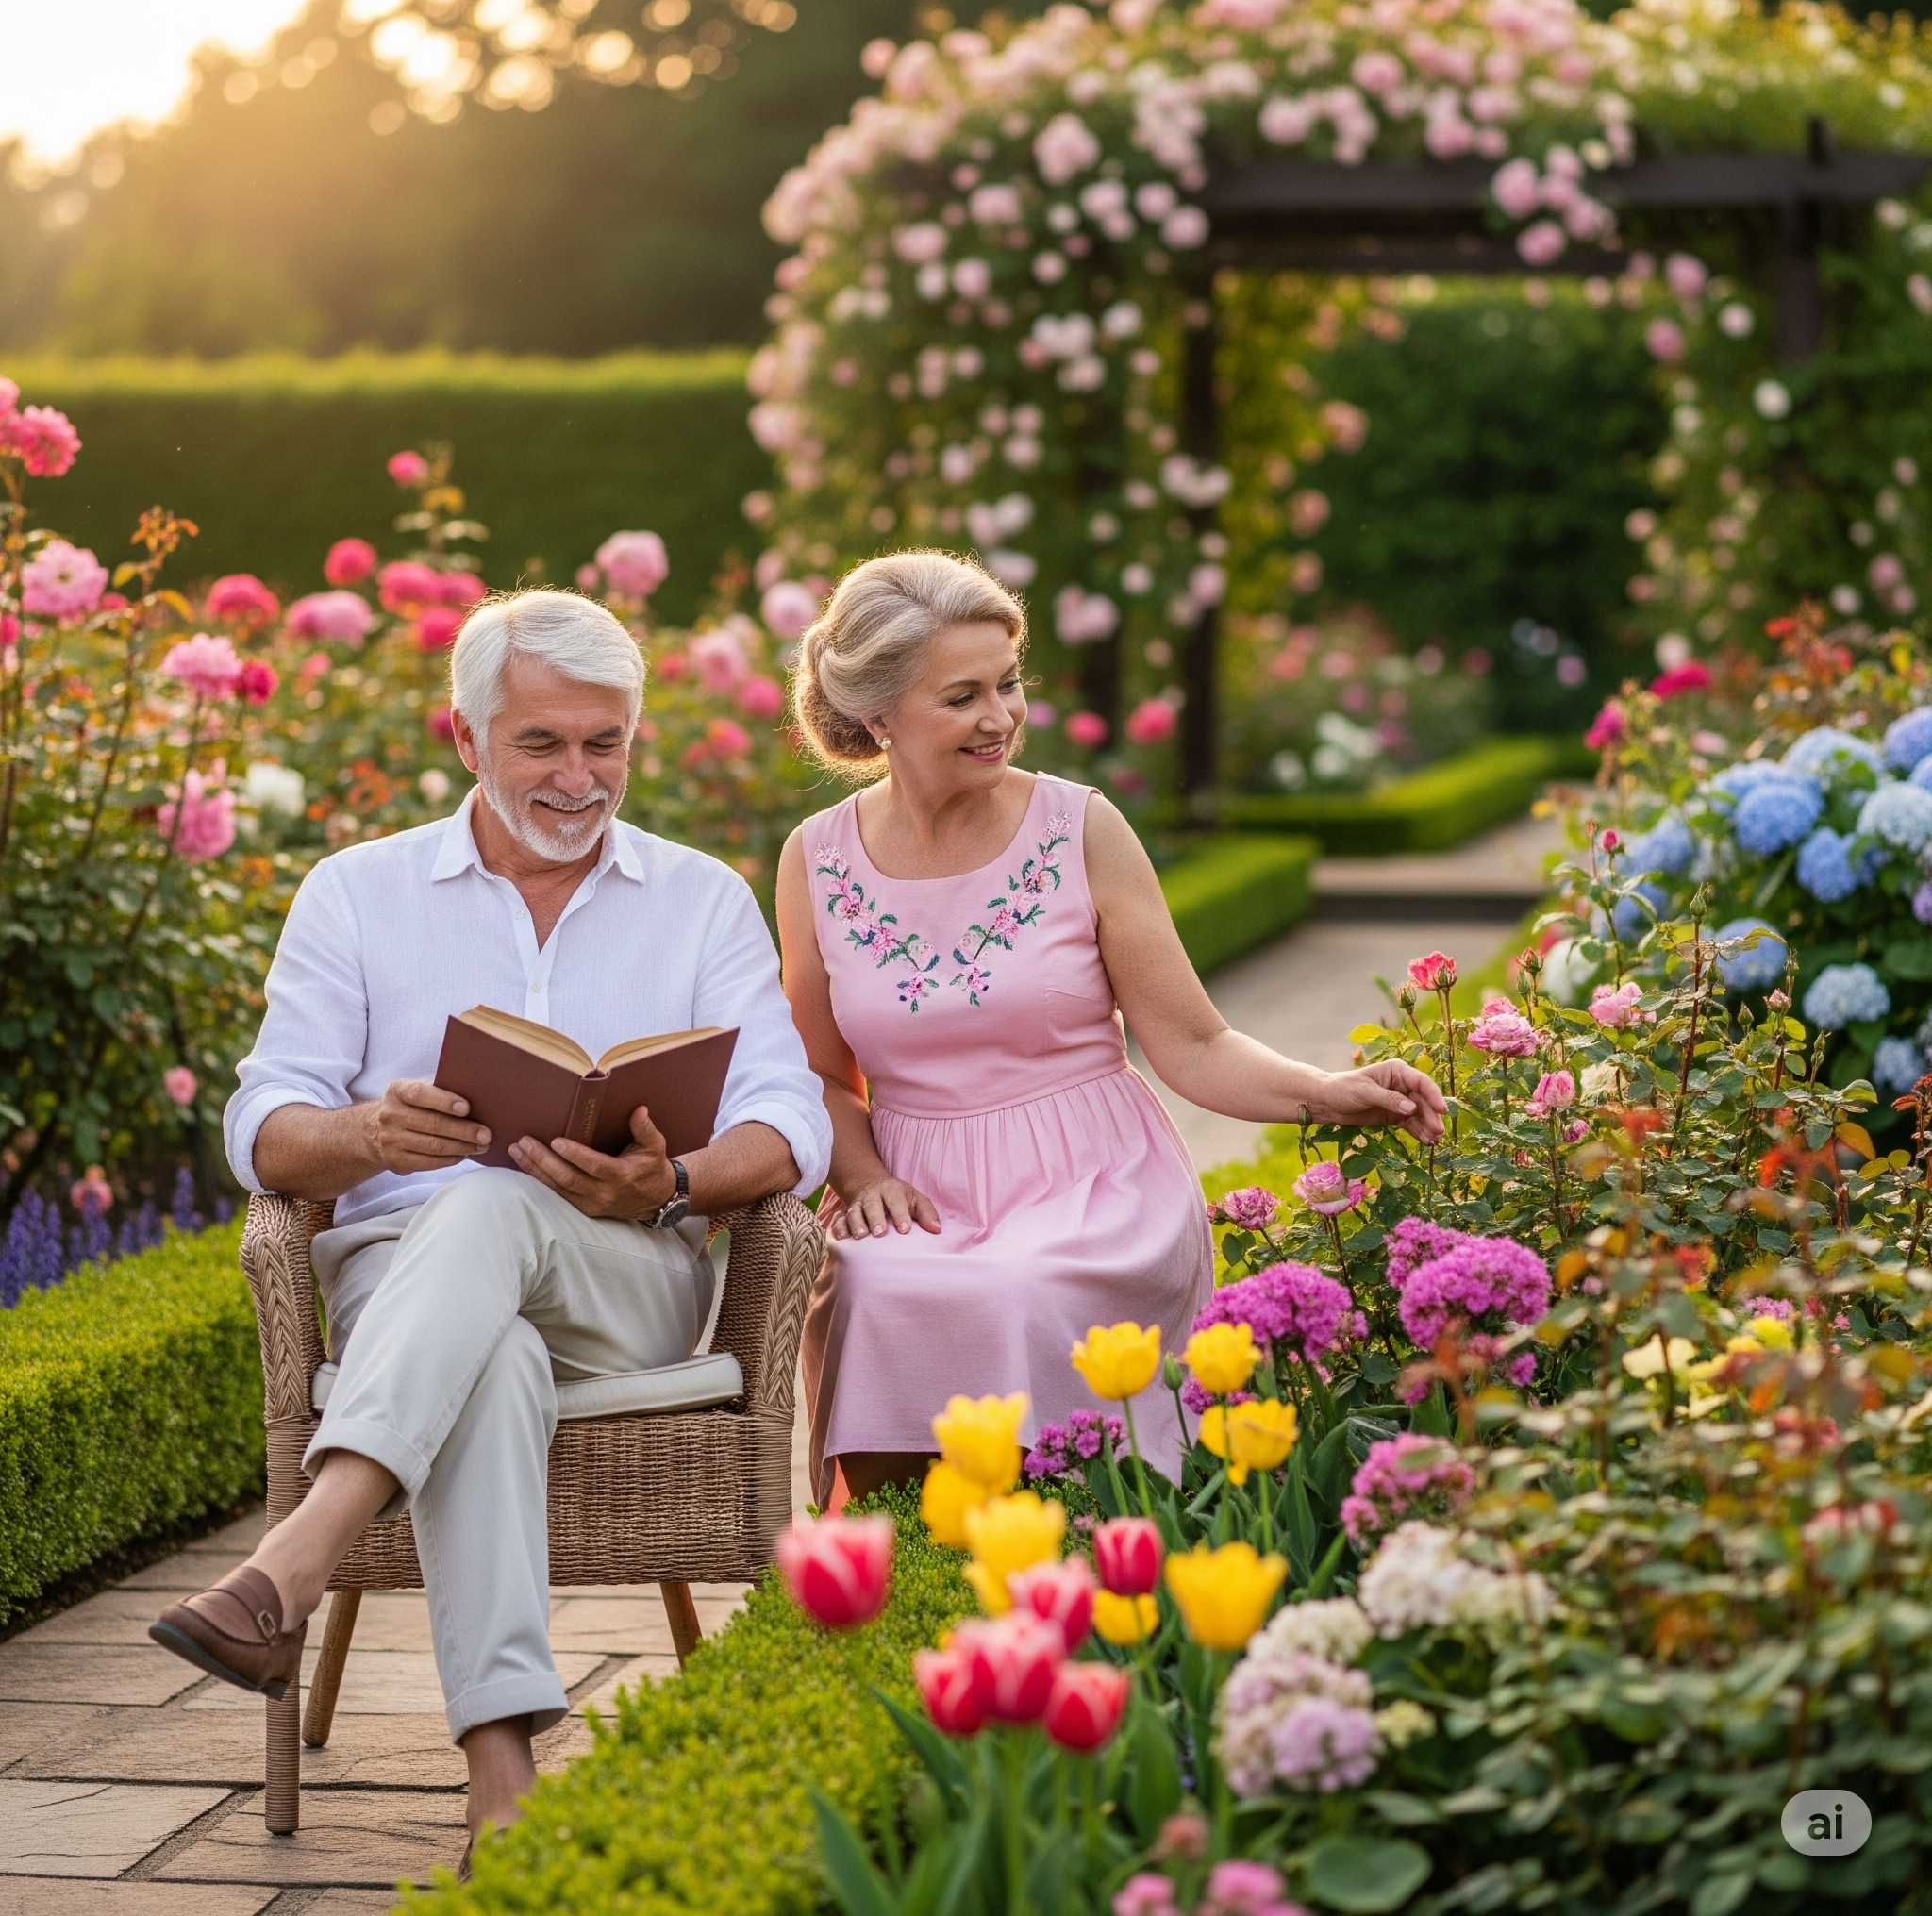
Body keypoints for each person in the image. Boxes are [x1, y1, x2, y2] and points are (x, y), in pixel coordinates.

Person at [150, 589, 830, 1856]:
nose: (580, 778)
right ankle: (502, 1776)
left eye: (606, 742)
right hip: (405, 1283)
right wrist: (362, 1136)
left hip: (625, 1278)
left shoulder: (698, 899)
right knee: (489, 1331)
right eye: (541, 745)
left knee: (490, 1203)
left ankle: (300, 1555)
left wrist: (670, 1181)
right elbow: (263, 1122)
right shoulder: (359, 893)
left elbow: (794, 1124)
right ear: (464, 739)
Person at [777, 551, 1444, 1507]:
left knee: (1017, 1288)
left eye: (1007, 683)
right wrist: (865, 1176)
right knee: (867, 1287)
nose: (1000, 715)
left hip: (1087, 1176)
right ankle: (902, 1565)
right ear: (878, 716)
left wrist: (1323, 1091)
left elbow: (1195, 1045)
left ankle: (1085, 1531)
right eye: (960, 696)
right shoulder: (814, 857)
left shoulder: (1078, 827)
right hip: (913, 1183)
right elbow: (819, 1074)